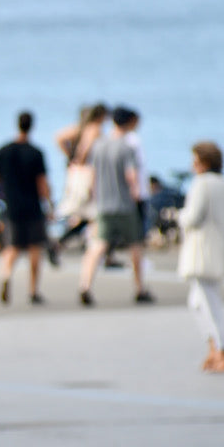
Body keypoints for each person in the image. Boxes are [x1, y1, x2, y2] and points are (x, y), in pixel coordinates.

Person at [77, 106, 154, 306]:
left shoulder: (99, 145)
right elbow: (132, 176)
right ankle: (140, 288)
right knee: (135, 245)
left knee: (97, 245)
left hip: (103, 205)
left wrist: (93, 197)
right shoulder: (127, 147)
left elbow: (91, 175)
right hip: (125, 205)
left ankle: (85, 285)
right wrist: (137, 195)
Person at [177, 141, 224, 373]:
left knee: (208, 303)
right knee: (197, 301)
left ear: (202, 163)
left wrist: (179, 216)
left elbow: (192, 217)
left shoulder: (201, 184)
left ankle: (223, 351)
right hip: (222, 249)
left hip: (202, 252)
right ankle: (214, 348)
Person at [0, 111, 52, 305]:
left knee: (12, 246)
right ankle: (33, 290)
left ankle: (6, 276)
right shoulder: (35, 153)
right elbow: (42, 183)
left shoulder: (4, 151)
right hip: (32, 206)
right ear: (32, 126)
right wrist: (49, 203)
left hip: (12, 204)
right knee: (34, 248)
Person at [54, 103, 107, 252]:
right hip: (88, 174)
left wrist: (71, 157)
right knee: (93, 215)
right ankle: (99, 250)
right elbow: (85, 148)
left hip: (76, 173)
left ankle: (62, 242)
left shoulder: (80, 127)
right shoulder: (94, 129)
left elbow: (59, 137)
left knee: (85, 215)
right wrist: (80, 159)